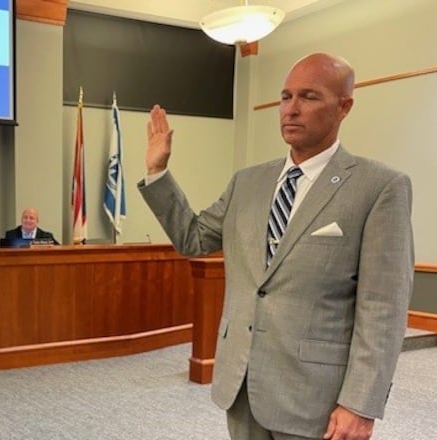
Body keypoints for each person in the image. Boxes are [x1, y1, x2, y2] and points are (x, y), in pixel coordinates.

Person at [140, 53, 413, 440]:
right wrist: (158, 172)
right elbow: (193, 238)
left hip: (317, 400)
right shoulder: (247, 182)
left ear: (344, 106)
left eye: (309, 96)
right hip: (242, 386)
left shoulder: (379, 187)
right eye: (285, 97)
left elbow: (384, 307)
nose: (292, 109)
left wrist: (360, 403)